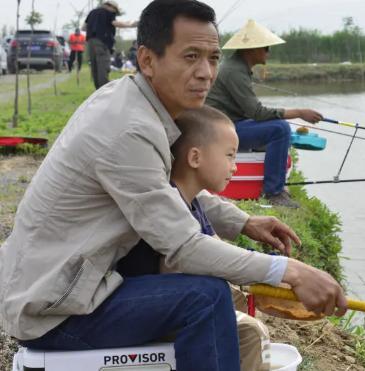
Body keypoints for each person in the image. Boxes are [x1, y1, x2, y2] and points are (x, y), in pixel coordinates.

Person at [0, 2, 347, 371]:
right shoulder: (130, 129)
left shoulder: (134, 101)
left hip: (59, 291)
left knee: (198, 285)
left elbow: (165, 189)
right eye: (190, 57)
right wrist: (290, 271)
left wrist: (243, 222)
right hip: (54, 312)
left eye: (213, 58)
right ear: (148, 60)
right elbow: (183, 246)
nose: (205, 73)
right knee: (205, 297)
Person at [117, 105, 273, 371]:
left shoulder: (191, 201)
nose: (234, 167)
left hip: (162, 305)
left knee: (235, 306)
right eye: (229, 155)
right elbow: (178, 271)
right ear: (195, 157)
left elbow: (214, 251)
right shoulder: (172, 206)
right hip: (140, 311)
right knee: (250, 333)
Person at [206, 19, 323, 209]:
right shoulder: (235, 71)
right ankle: (273, 192)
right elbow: (257, 112)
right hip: (220, 131)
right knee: (280, 129)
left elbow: (251, 111)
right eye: (266, 47)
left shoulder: (237, 67)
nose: (268, 52)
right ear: (251, 49)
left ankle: (275, 185)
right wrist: (300, 112)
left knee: (276, 127)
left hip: (227, 124)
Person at [82, 0, 137, 89]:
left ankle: (98, 90)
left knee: (95, 67)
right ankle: (104, 90)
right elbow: (115, 23)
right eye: (115, 10)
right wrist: (130, 25)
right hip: (102, 43)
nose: (115, 13)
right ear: (111, 7)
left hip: (91, 42)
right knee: (103, 67)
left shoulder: (92, 12)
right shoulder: (108, 13)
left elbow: (84, 28)